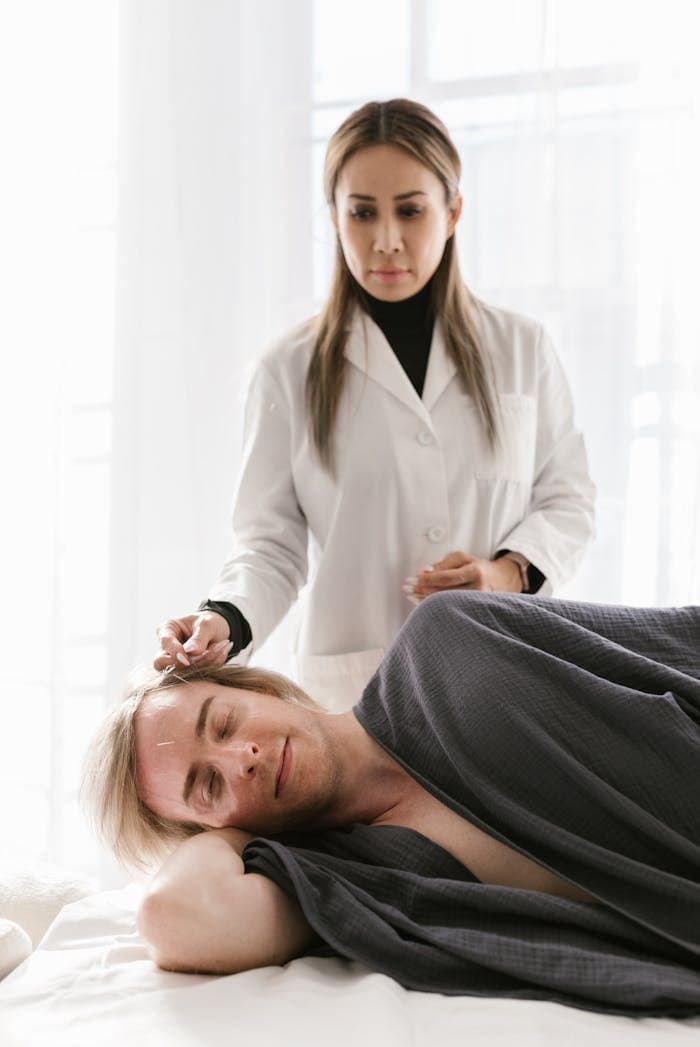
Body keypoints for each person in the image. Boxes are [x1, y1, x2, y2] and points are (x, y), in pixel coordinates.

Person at [153, 98, 595, 710]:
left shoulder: (522, 348)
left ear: (453, 211)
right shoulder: (288, 371)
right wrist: (224, 617)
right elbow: (270, 544)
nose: (386, 241)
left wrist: (505, 573)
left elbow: (567, 501)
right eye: (362, 213)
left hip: (501, 670)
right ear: (335, 217)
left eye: (410, 211)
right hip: (356, 691)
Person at [85, 591, 700, 1014]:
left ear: (259, 687)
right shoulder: (349, 876)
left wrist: (219, 806)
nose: (239, 758)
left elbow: (673, 643)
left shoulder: (450, 639)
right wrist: (223, 831)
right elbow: (179, 917)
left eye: (223, 723)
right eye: (208, 785)